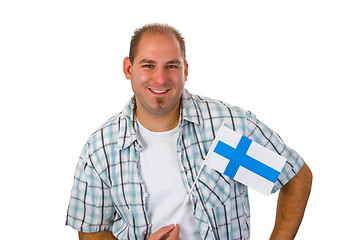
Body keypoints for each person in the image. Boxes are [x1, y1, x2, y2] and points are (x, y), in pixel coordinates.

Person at [66, 23, 312, 240]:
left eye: (171, 66)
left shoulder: (227, 128)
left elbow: (294, 177)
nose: (160, 79)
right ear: (129, 69)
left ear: (185, 70)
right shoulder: (101, 149)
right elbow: (92, 232)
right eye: (148, 65)